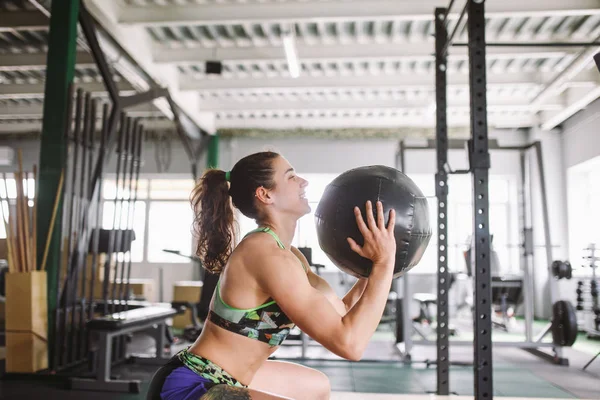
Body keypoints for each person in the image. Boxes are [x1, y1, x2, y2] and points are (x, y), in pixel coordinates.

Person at [153, 151, 397, 400]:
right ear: (265, 194)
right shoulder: (265, 255)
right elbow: (350, 345)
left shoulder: (291, 256)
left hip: (227, 378)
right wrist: (384, 263)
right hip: (190, 386)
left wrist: (370, 271)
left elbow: (344, 314)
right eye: (291, 177)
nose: (304, 182)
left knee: (317, 385)